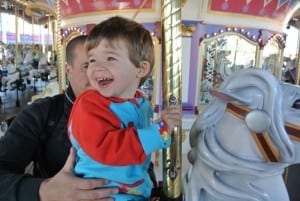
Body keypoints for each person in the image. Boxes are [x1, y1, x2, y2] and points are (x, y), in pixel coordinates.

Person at [67, 16, 182, 201]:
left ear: (141, 69)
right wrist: (160, 131)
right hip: (103, 193)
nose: (97, 68)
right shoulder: (89, 104)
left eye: (110, 58)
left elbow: (140, 148)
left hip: (132, 192)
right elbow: (106, 147)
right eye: (92, 61)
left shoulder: (141, 104)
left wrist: (164, 129)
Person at [0, 35, 119, 201]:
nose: (97, 75)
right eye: (88, 65)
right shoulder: (42, 113)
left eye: (105, 66)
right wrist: (43, 190)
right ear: (68, 69)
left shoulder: (123, 111)